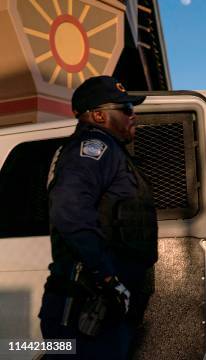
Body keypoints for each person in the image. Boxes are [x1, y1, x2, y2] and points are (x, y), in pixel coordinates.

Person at [38, 76, 157, 359]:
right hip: (85, 310)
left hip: (103, 311)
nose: (133, 115)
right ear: (99, 115)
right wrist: (107, 277)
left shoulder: (112, 152)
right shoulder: (92, 148)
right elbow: (69, 211)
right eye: (126, 108)